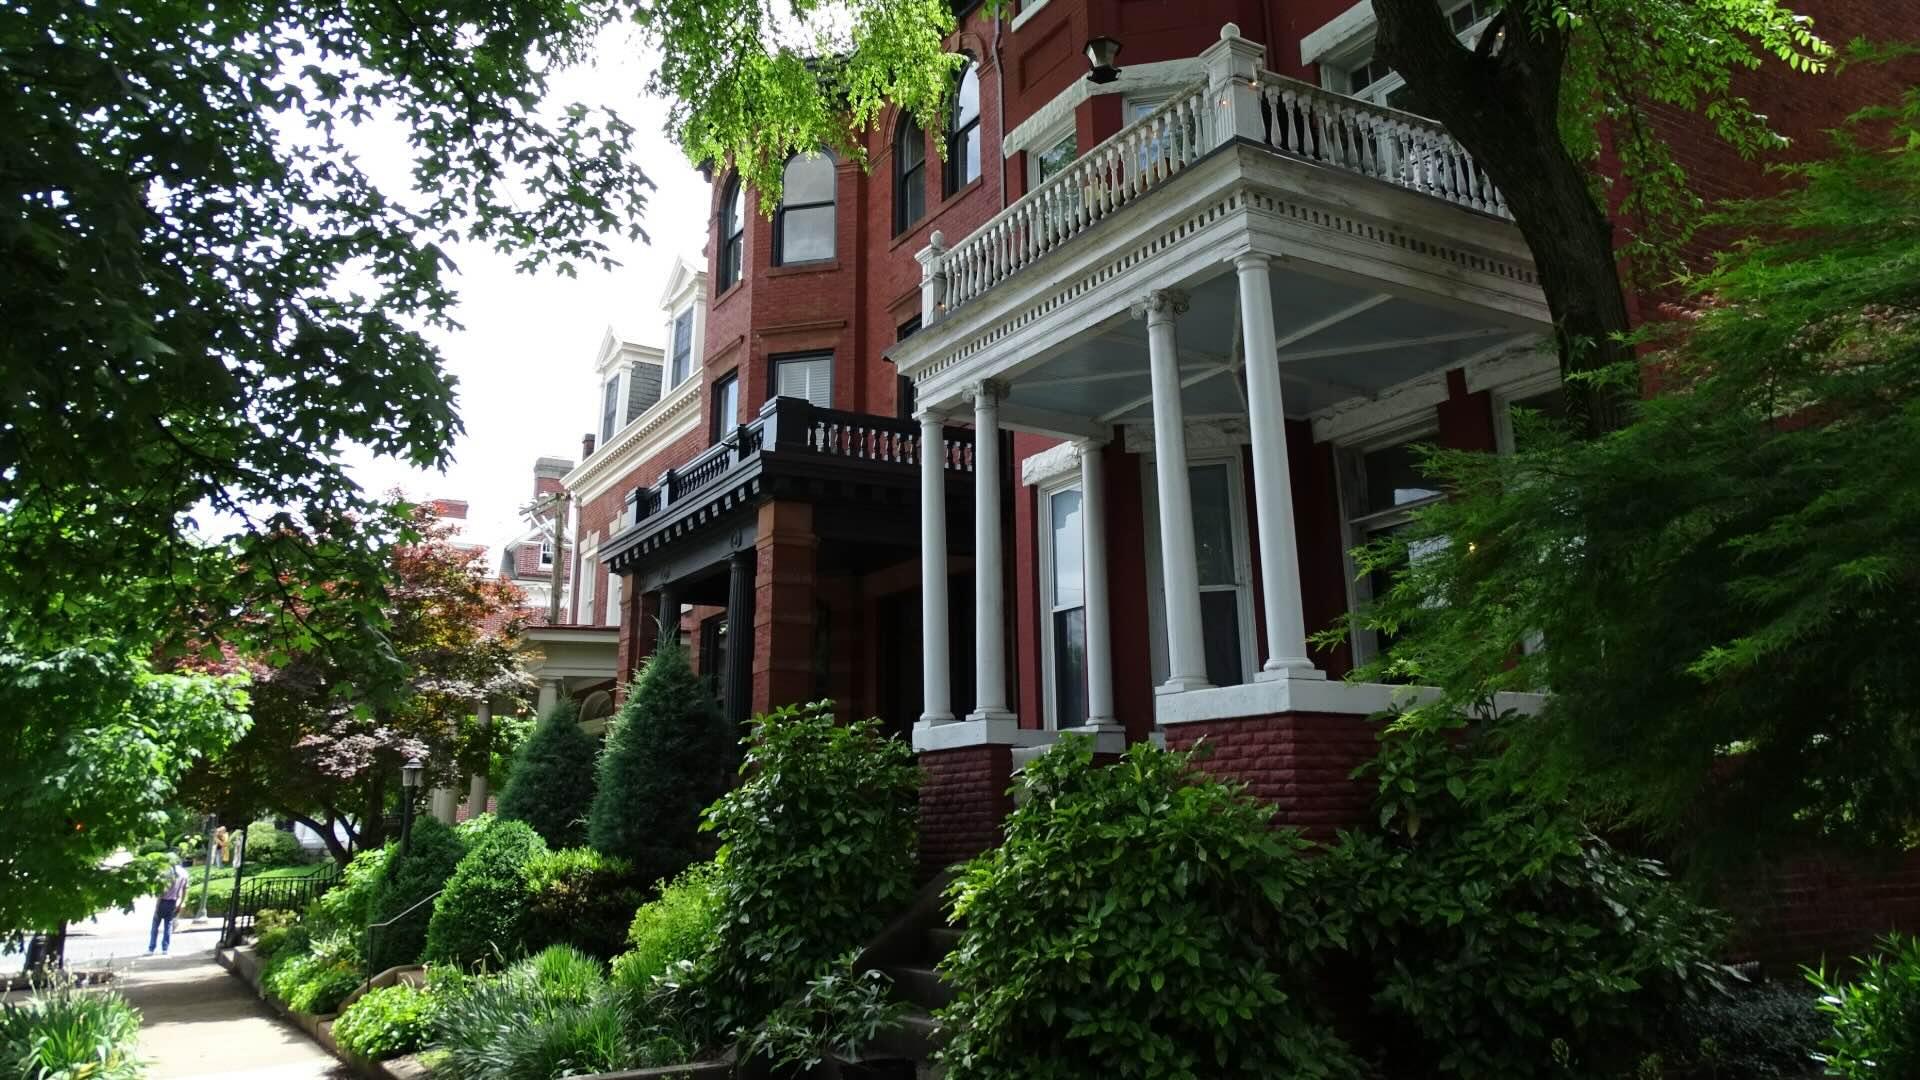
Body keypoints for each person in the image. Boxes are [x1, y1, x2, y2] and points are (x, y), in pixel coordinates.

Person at [150, 858, 191, 954]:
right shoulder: (184, 873)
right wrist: (181, 903)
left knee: (155, 926)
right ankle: (165, 948)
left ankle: (151, 948)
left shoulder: (168, 872)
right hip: (174, 902)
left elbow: (162, 891)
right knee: (168, 926)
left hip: (163, 901)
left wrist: (156, 906)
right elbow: (185, 890)